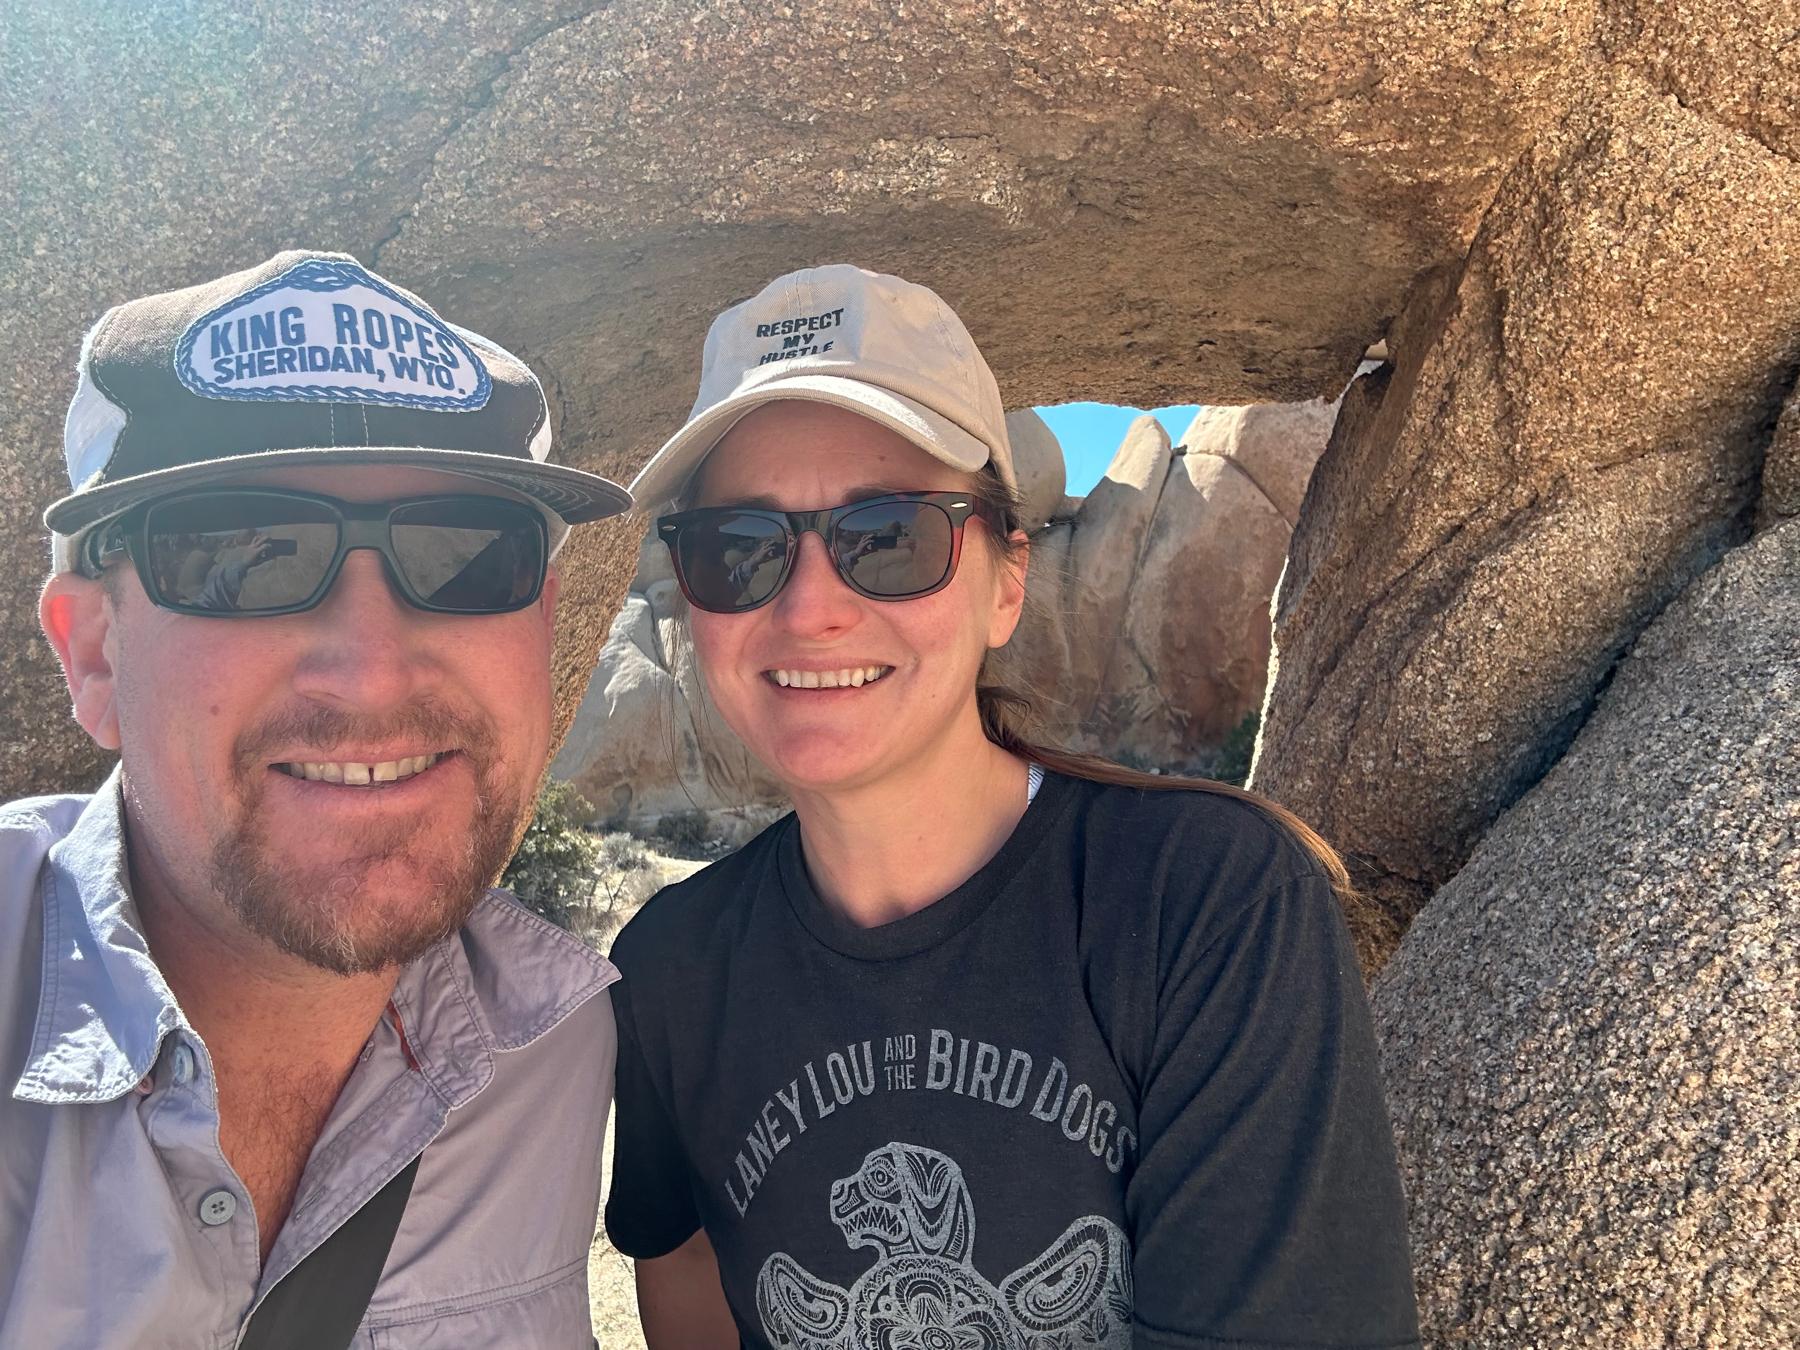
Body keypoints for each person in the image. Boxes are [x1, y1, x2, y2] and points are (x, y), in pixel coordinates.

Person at [603, 265, 1422, 1350]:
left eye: (889, 536)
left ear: (1005, 581)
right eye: (740, 547)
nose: (809, 608)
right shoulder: (670, 967)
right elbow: (683, 1265)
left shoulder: (1205, 906)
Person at [1, 250, 633, 1347]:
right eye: (246, 553)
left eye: (467, 553)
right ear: (94, 655)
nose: (373, 669)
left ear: (543, 621)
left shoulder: (565, 1049)